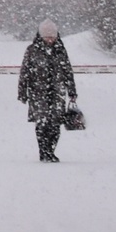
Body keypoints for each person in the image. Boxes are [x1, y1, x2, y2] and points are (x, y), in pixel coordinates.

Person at [17, 21, 78, 161]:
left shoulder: (60, 50)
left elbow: (68, 71)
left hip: (57, 93)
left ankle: (51, 150)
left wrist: (72, 91)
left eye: (52, 37)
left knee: (55, 124)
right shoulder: (32, 50)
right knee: (42, 123)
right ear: (41, 36)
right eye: (47, 37)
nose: (50, 40)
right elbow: (24, 72)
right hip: (38, 92)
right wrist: (22, 92)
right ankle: (44, 152)